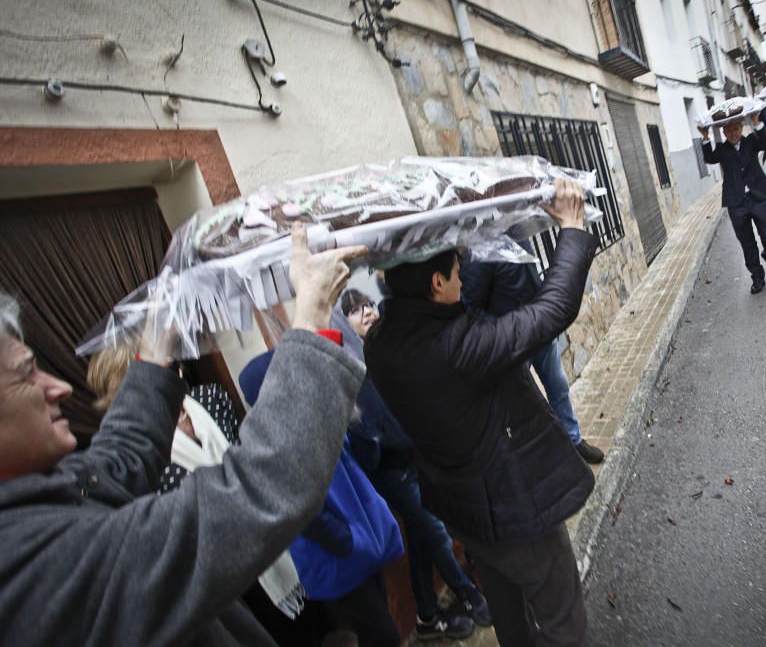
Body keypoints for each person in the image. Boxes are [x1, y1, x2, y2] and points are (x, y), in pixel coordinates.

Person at [0, 224, 368, 646]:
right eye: (27, 373)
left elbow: (117, 461)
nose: (58, 388)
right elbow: (259, 489)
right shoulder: (30, 567)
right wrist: (311, 321)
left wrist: (156, 351)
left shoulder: (36, 501)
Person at [364, 179, 596, 646]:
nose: (461, 278)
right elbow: (552, 310)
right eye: (456, 271)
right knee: (561, 621)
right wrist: (572, 228)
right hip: (514, 511)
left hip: (465, 513)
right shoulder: (457, 347)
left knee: (512, 624)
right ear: (436, 284)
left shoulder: (381, 344)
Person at [339, 288, 489, 641]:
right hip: (391, 471)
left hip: (416, 456)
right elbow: (365, 433)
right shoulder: (348, 369)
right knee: (434, 529)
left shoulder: (384, 351)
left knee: (424, 536)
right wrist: (370, 436)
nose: (368, 313)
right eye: (356, 310)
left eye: (369, 306)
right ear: (342, 323)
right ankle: (469, 594)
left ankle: (425, 612)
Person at [240, 349, 405, 647]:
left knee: (381, 630)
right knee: (384, 637)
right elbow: (306, 515)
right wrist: (348, 541)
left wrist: (355, 421)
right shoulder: (271, 447)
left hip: (364, 541)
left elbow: (366, 460)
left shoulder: (312, 417)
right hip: (337, 557)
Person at [459, 257, 604, 464]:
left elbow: (531, 278)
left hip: (539, 331)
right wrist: (505, 330)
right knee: (523, 406)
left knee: (558, 386)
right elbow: (470, 307)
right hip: (513, 344)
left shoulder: (518, 232)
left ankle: (574, 442)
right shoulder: (479, 256)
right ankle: (542, 462)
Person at [700, 112, 766, 295]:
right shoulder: (722, 150)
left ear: (741, 128)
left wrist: (757, 122)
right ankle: (757, 277)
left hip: (758, 196)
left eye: (735, 129)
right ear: (724, 133)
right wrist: (705, 137)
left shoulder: (751, 141)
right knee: (747, 242)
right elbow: (709, 158)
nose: (733, 133)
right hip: (736, 203)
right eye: (728, 131)